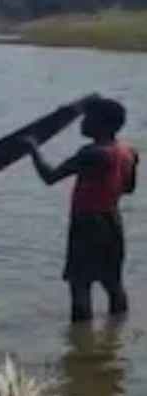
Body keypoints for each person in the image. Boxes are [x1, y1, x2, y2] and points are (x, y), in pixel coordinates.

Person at [25, 97, 138, 322]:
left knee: (80, 284)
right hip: (112, 222)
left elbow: (50, 177)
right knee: (112, 282)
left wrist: (33, 149)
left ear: (103, 124)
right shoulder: (129, 153)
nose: (82, 123)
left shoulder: (91, 153)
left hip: (87, 224)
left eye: (88, 118)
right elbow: (128, 188)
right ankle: (116, 331)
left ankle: (81, 343)